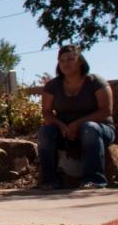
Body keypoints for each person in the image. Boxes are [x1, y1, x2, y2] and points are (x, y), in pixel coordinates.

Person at [38, 45, 114, 189]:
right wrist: (60, 125)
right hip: (65, 131)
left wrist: (78, 124)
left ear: (80, 61)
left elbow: (106, 111)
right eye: (61, 60)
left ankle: (94, 179)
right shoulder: (52, 86)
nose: (65, 63)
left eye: (70, 59)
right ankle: (49, 180)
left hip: (98, 129)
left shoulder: (96, 82)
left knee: (89, 128)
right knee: (45, 132)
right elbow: (46, 112)